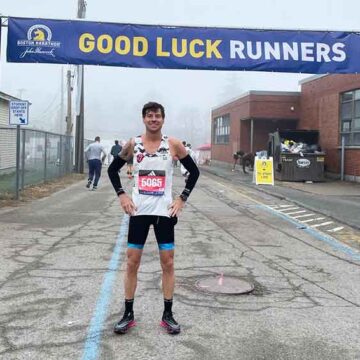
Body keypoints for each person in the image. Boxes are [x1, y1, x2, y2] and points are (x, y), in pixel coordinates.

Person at [108, 102, 200, 335]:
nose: (153, 120)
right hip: (139, 212)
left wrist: (181, 199)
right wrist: (122, 196)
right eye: (149, 116)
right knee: (132, 262)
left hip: (164, 213)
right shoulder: (133, 144)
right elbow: (112, 170)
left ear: (163, 119)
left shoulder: (173, 145)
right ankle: (128, 314)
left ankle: (167, 315)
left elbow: (195, 172)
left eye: (157, 116)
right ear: (143, 119)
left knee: (167, 263)